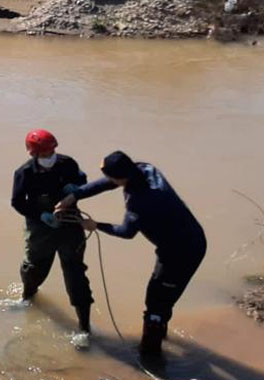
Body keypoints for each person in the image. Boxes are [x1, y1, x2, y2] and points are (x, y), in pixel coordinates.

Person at [57, 150, 206, 356]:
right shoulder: (144, 169)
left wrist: (95, 225)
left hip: (182, 252)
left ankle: (151, 357)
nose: (108, 180)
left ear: (121, 176)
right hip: (183, 239)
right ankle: (160, 335)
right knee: (160, 297)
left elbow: (127, 232)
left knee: (156, 304)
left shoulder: (140, 200)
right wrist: (75, 195)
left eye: (110, 176)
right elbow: (109, 182)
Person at [11, 129, 94, 347]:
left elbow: (83, 180)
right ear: (33, 154)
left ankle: (84, 329)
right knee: (34, 266)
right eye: (46, 154)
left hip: (70, 225)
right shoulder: (24, 173)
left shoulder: (68, 164)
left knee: (75, 273)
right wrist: (41, 215)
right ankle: (27, 298)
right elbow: (17, 202)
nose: (51, 156)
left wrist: (76, 188)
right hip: (41, 227)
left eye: (52, 151)